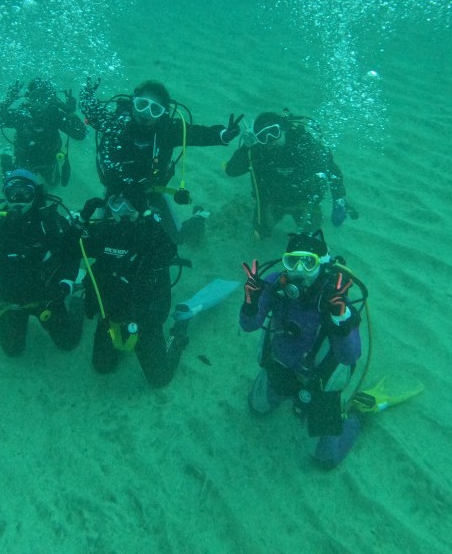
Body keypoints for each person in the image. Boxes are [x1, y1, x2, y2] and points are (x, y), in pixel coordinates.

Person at [239, 231, 366, 468]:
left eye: (309, 263)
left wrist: (340, 317)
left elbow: (349, 355)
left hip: (319, 383)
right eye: (292, 261)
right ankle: (281, 393)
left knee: (325, 460)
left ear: (322, 265)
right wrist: (250, 303)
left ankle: (357, 416)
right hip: (280, 368)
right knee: (256, 408)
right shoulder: (275, 283)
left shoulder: (334, 300)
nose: (298, 270)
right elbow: (249, 325)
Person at [79, 77, 242, 241]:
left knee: (174, 239)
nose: (146, 113)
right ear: (133, 103)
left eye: (155, 109)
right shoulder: (115, 124)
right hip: (117, 193)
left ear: (162, 113)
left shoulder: (168, 131)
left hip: (151, 193)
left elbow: (197, 134)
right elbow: (90, 110)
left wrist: (223, 135)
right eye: (142, 105)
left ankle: (198, 218)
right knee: (101, 239)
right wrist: (86, 91)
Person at [0, 169, 84, 356]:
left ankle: (77, 303)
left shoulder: (52, 224)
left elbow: (72, 253)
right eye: (13, 192)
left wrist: (66, 284)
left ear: (36, 194)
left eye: (25, 192)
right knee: (12, 350)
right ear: (5, 194)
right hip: (10, 299)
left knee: (68, 342)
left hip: (48, 296)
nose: (19, 198)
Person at [77, 190, 189, 388]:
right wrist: (83, 219)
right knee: (101, 366)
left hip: (145, 322)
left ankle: (179, 330)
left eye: (131, 205)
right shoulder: (104, 232)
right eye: (117, 205)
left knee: (159, 378)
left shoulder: (151, 234)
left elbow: (169, 250)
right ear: (110, 209)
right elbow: (74, 247)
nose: (125, 211)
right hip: (111, 318)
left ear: (141, 207)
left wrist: (146, 214)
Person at [225, 110, 351, 239]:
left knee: (311, 236)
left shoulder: (305, 145)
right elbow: (232, 171)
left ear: (284, 128)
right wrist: (246, 147)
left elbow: (332, 170)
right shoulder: (258, 151)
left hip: (305, 201)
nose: (270, 140)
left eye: (274, 132)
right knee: (260, 234)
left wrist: (338, 201)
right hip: (271, 201)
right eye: (263, 137)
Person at [0, 78, 87, 185]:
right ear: (28, 97)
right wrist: (8, 100)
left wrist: (71, 113)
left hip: (49, 159)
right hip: (24, 159)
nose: (39, 103)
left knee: (53, 185)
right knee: (13, 184)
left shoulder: (55, 115)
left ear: (52, 99)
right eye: (35, 97)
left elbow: (81, 135)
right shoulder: (21, 115)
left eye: (44, 98)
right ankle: (6, 159)